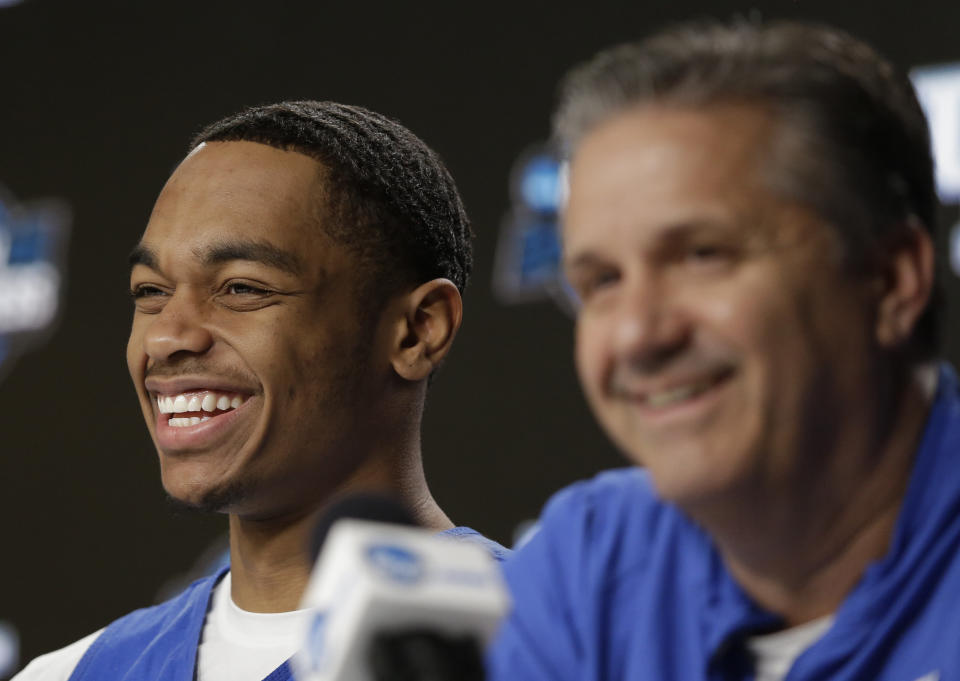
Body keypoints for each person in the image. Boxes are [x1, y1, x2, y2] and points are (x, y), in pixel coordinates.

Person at [488, 19, 960, 681]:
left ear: (889, 280)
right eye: (602, 281)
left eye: (703, 255)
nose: (637, 335)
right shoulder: (587, 565)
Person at [16, 100, 506, 681]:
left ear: (418, 329)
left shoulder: (565, 643)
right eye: (150, 291)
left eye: (242, 288)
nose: (168, 336)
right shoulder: (71, 673)